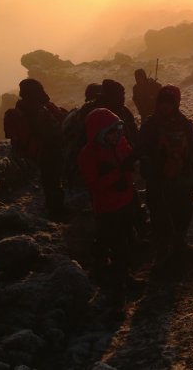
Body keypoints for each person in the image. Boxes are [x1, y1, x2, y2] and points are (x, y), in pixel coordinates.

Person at [139, 85, 193, 272]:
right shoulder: (150, 126)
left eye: (169, 103)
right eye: (162, 102)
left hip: (182, 178)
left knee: (183, 213)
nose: (165, 107)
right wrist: (148, 169)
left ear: (176, 104)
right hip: (158, 181)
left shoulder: (184, 124)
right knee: (160, 218)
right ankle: (162, 256)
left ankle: (179, 245)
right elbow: (141, 151)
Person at [78, 108, 139, 314]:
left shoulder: (120, 143)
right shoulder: (88, 154)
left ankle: (123, 277)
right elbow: (93, 185)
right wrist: (117, 175)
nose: (117, 134)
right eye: (111, 131)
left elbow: (129, 159)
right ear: (99, 134)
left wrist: (131, 165)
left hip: (127, 202)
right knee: (119, 248)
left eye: (118, 129)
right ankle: (116, 295)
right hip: (108, 209)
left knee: (129, 241)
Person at [4, 79, 68, 219]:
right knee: (52, 181)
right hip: (48, 150)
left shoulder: (24, 106)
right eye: (39, 89)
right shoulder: (37, 109)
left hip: (40, 151)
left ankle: (55, 209)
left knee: (50, 181)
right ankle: (57, 212)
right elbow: (49, 131)